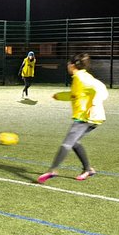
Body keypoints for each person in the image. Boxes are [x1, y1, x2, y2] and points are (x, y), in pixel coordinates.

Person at [37, 53, 108, 183]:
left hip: (86, 117)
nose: (67, 66)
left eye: (68, 64)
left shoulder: (82, 78)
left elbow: (101, 89)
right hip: (90, 117)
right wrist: (60, 96)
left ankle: (52, 170)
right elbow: (75, 95)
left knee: (67, 143)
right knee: (75, 142)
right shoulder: (80, 77)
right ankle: (88, 169)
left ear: (72, 65)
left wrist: (94, 104)